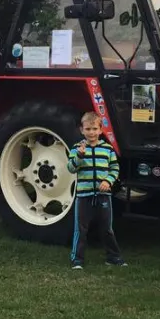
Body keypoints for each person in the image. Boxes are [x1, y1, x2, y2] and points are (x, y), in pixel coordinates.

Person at [67, 112, 126, 269]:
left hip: (103, 196)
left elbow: (114, 168)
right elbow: (71, 168)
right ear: (82, 130)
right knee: (81, 229)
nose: (91, 132)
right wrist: (79, 156)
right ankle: (77, 260)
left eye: (94, 129)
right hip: (83, 196)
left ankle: (113, 257)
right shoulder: (76, 148)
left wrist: (108, 181)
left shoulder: (107, 149)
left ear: (101, 130)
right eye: (88, 129)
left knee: (107, 228)